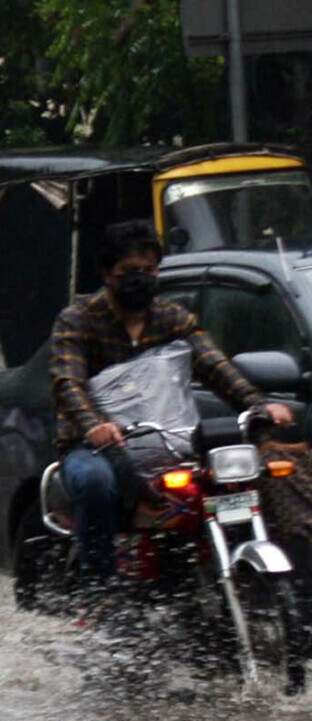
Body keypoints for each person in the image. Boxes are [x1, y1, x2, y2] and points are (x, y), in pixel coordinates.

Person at [50, 220, 291, 586]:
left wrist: (258, 404)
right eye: (130, 271)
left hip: (170, 441)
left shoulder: (173, 318)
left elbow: (214, 365)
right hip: (95, 446)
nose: (141, 278)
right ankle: (97, 587)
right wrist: (94, 426)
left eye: (149, 270)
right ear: (107, 275)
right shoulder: (78, 320)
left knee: (233, 480)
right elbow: (68, 382)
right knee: (95, 483)